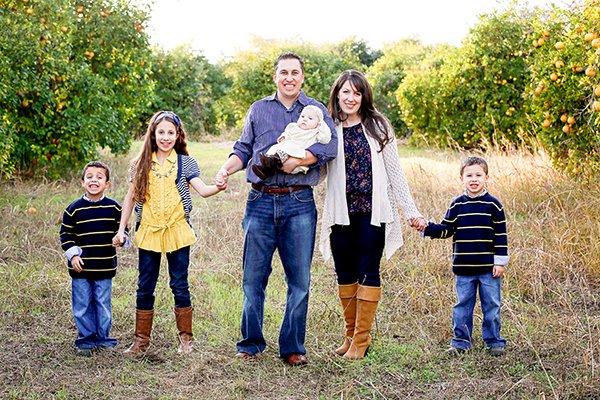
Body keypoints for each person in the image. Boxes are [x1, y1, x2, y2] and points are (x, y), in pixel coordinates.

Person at [214, 52, 337, 366]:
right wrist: (227, 170)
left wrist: (300, 160)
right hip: (260, 201)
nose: (289, 78)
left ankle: (292, 347)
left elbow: (330, 146)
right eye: (284, 72)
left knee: (299, 280)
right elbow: (243, 148)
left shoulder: (316, 110)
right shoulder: (259, 109)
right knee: (253, 278)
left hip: (299, 202)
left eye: (295, 72)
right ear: (275, 76)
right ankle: (251, 344)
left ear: (302, 77)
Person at [319, 70, 426, 360]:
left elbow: (395, 173)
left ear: (364, 96)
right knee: (344, 273)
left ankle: (362, 341)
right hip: (341, 213)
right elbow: (318, 170)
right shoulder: (328, 128)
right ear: (337, 95)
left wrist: (410, 211)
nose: (351, 98)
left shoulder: (378, 126)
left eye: (357, 92)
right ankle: (350, 335)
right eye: (345, 92)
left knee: (368, 269)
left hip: (373, 212)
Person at [112, 110, 225, 356]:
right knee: (144, 286)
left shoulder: (185, 162)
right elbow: (130, 198)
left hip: (177, 230)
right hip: (149, 231)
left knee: (180, 284)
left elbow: (202, 190)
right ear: (153, 134)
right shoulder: (140, 163)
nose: (165, 137)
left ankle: (186, 340)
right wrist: (122, 229)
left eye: (170, 133)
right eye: (160, 132)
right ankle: (141, 341)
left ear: (178, 135)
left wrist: (219, 185)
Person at [422, 156, 508, 357]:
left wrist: (500, 262)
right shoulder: (457, 205)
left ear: (486, 177)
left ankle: (494, 341)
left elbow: (501, 235)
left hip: (489, 269)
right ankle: (461, 341)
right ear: (461, 178)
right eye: (469, 175)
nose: (474, 179)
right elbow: (446, 229)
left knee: (492, 306)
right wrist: (428, 228)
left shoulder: (494, 205)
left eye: (478, 175)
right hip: (464, 268)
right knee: (462, 306)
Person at [59, 161, 126, 356]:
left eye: (99, 177)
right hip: (80, 268)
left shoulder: (114, 208)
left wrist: (121, 239)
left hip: (104, 266)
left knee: (102, 302)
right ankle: (86, 338)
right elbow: (66, 235)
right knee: (82, 303)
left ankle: (103, 337)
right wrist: (72, 256)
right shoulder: (74, 209)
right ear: (82, 182)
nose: (94, 180)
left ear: (107, 184)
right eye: (89, 177)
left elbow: (123, 230)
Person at [252, 104, 331, 179]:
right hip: (285, 150)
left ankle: (273, 161)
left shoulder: (316, 132)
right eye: (302, 116)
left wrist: (322, 125)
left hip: (297, 156)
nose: (305, 119)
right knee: (275, 147)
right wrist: (284, 136)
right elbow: (287, 133)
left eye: (310, 118)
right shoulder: (294, 126)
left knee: (288, 147)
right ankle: (265, 168)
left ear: (318, 124)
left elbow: (326, 139)